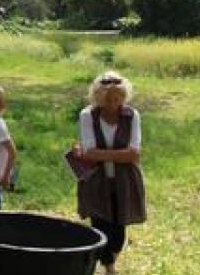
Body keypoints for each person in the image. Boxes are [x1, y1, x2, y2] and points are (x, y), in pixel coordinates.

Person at [74, 71, 146, 275]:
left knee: (119, 231)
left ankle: (108, 259)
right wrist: (119, 154)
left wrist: (100, 154)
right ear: (98, 98)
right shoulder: (87, 115)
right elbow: (88, 153)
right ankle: (109, 268)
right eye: (108, 99)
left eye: (118, 98)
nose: (114, 103)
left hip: (124, 181)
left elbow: (134, 153)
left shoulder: (132, 116)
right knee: (100, 226)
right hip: (96, 182)